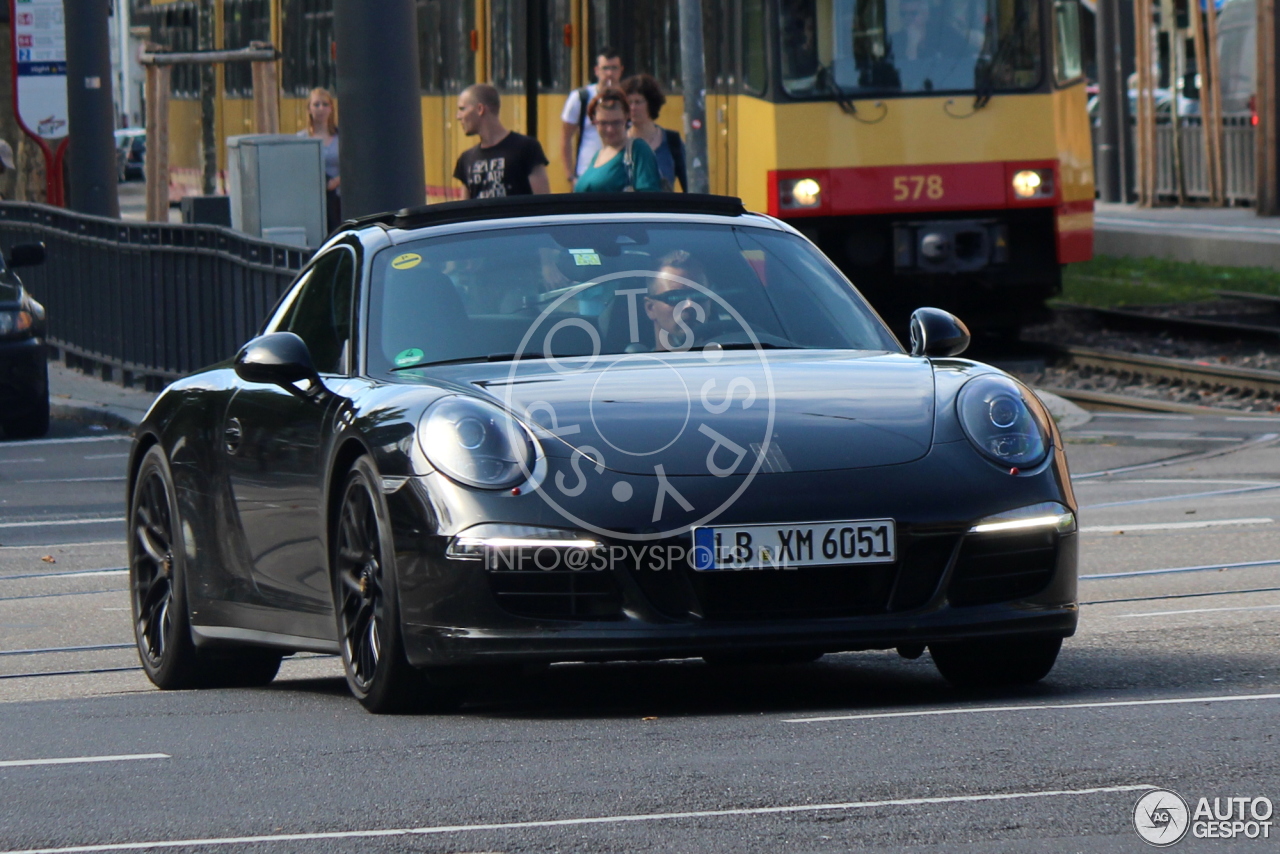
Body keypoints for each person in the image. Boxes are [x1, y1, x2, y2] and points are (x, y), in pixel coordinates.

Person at [453, 84, 550, 198]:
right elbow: (465, 210)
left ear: (480, 109)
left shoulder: (526, 147)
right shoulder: (466, 159)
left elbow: (542, 202)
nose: (458, 116)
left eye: (462, 109)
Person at [574, 88, 662, 193]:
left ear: (626, 118)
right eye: (603, 123)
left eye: (616, 123)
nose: (610, 129)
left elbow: (649, 198)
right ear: (594, 121)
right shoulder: (598, 155)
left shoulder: (638, 150)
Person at [560, 48, 623, 181]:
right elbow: (565, 138)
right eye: (605, 68)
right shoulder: (581, 97)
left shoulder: (628, 99)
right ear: (596, 71)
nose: (610, 73)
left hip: (621, 174)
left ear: (621, 70)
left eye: (614, 68)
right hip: (586, 173)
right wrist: (570, 177)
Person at [622, 74, 686, 192]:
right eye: (629, 102)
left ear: (651, 103)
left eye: (638, 102)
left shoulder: (672, 141)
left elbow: (688, 183)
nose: (633, 107)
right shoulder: (620, 142)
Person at [645, 250, 713, 351]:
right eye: (675, 297)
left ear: (710, 303)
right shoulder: (635, 366)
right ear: (650, 308)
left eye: (699, 295)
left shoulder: (738, 360)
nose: (690, 304)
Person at [297, 87, 341, 232]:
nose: (320, 108)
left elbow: (353, 166)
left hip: (338, 200)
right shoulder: (301, 139)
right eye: (316, 104)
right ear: (309, 109)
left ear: (331, 108)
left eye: (325, 104)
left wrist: (336, 182)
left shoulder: (341, 137)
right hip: (311, 200)